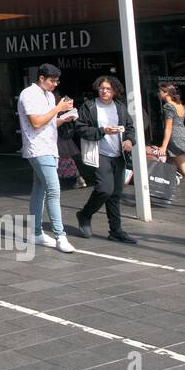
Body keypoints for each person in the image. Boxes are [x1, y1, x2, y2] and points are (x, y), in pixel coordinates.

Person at [17, 63, 77, 254]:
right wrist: (58, 108)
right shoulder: (28, 94)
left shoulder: (49, 96)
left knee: (40, 190)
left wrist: (63, 117)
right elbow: (36, 122)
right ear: (41, 78)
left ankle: (37, 233)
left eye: (57, 81)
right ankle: (60, 236)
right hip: (38, 148)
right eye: (52, 80)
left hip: (49, 147)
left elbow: (47, 122)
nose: (54, 84)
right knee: (53, 190)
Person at [73, 76, 138, 244]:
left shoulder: (120, 108)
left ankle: (116, 231)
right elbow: (80, 128)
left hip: (118, 155)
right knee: (104, 189)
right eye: (102, 88)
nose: (104, 91)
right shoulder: (90, 106)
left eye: (108, 89)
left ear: (114, 91)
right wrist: (102, 131)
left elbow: (130, 128)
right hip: (99, 153)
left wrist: (130, 140)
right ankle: (85, 214)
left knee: (115, 194)